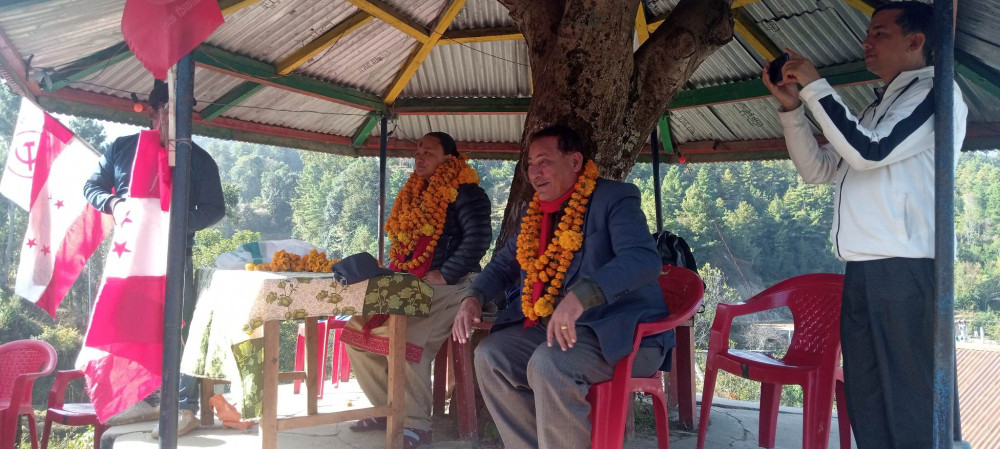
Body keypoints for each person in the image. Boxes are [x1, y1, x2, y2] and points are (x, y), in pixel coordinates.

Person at [762, 2, 967, 447]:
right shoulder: (880, 107)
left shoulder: (935, 92)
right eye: (868, 33)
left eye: (880, 33)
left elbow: (869, 152)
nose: (866, 42)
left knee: (913, 402)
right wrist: (793, 110)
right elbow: (819, 169)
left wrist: (816, 86)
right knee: (868, 398)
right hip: (866, 268)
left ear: (916, 41)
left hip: (909, 268)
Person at [451, 125, 674, 449]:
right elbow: (503, 265)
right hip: (555, 331)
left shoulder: (613, 198)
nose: (535, 173)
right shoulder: (533, 213)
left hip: (622, 333)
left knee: (549, 364)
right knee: (490, 356)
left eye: (544, 162)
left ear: (575, 162)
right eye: (530, 164)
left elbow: (643, 259)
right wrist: (474, 296)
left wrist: (583, 295)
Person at [83, 79, 226, 437]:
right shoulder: (122, 149)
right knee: (133, 323)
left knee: (179, 327)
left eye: (185, 112)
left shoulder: (198, 159)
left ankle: (184, 407)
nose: (179, 119)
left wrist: (176, 222)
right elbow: (91, 187)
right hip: (132, 257)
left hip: (176, 255)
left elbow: (215, 209)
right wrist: (113, 203)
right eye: (171, 111)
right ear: (152, 112)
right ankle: (144, 398)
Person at [344, 132, 492, 449]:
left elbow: (479, 239)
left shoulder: (468, 192)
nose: (420, 158)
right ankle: (386, 410)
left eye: (429, 153)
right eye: (418, 153)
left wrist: (446, 273)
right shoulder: (415, 194)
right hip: (414, 281)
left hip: (456, 284)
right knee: (357, 330)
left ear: (449, 159)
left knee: (408, 336)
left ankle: (415, 424)